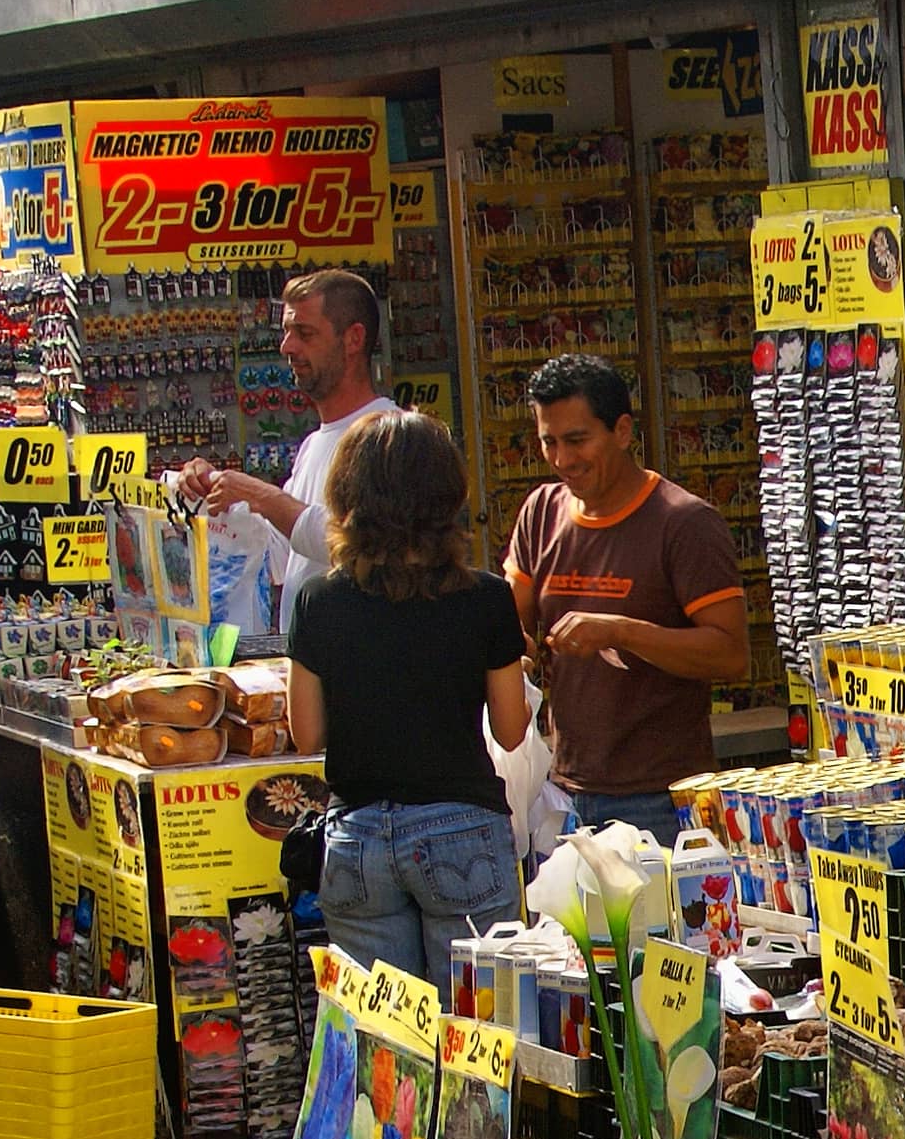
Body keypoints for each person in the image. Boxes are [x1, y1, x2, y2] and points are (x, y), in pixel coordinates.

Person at [284, 409, 531, 980]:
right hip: (463, 829)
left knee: (386, 1041)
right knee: (479, 1031)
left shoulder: (318, 601)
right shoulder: (488, 598)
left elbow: (308, 733)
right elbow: (512, 730)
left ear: (346, 497)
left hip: (359, 835)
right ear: (448, 496)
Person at [503, 352, 748, 839]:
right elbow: (508, 626)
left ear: (621, 431)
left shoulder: (684, 523)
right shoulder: (540, 513)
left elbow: (730, 654)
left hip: (663, 797)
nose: (563, 460)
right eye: (549, 442)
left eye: (577, 440)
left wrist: (620, 631)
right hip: (562, 791)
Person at [167, 270, 399, 640]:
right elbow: (282, 556)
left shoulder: (390, 434)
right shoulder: (314, 444)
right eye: (286, 332)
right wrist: (216, 492)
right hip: (312, 666)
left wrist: (262, 496)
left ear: (353, 339)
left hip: (362, 669)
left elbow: (362, 545)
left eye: (305, 334)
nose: (287, 347)